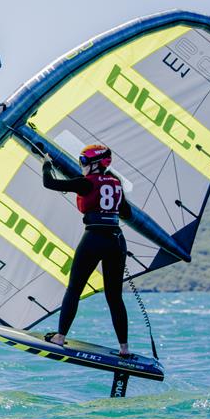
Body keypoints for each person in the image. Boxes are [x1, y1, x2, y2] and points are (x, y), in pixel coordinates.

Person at [41, 144, 132, 356]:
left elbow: (49, 183)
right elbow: (127, 213)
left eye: (83, 162)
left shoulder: (85, 183)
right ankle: (124, 348)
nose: (81, 166)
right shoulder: (116, 183)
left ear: (94, 164)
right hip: (116, 240)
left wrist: (46, 163)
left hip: (93, 238)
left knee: (74, 289)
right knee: (115, 297)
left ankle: (60, 337)